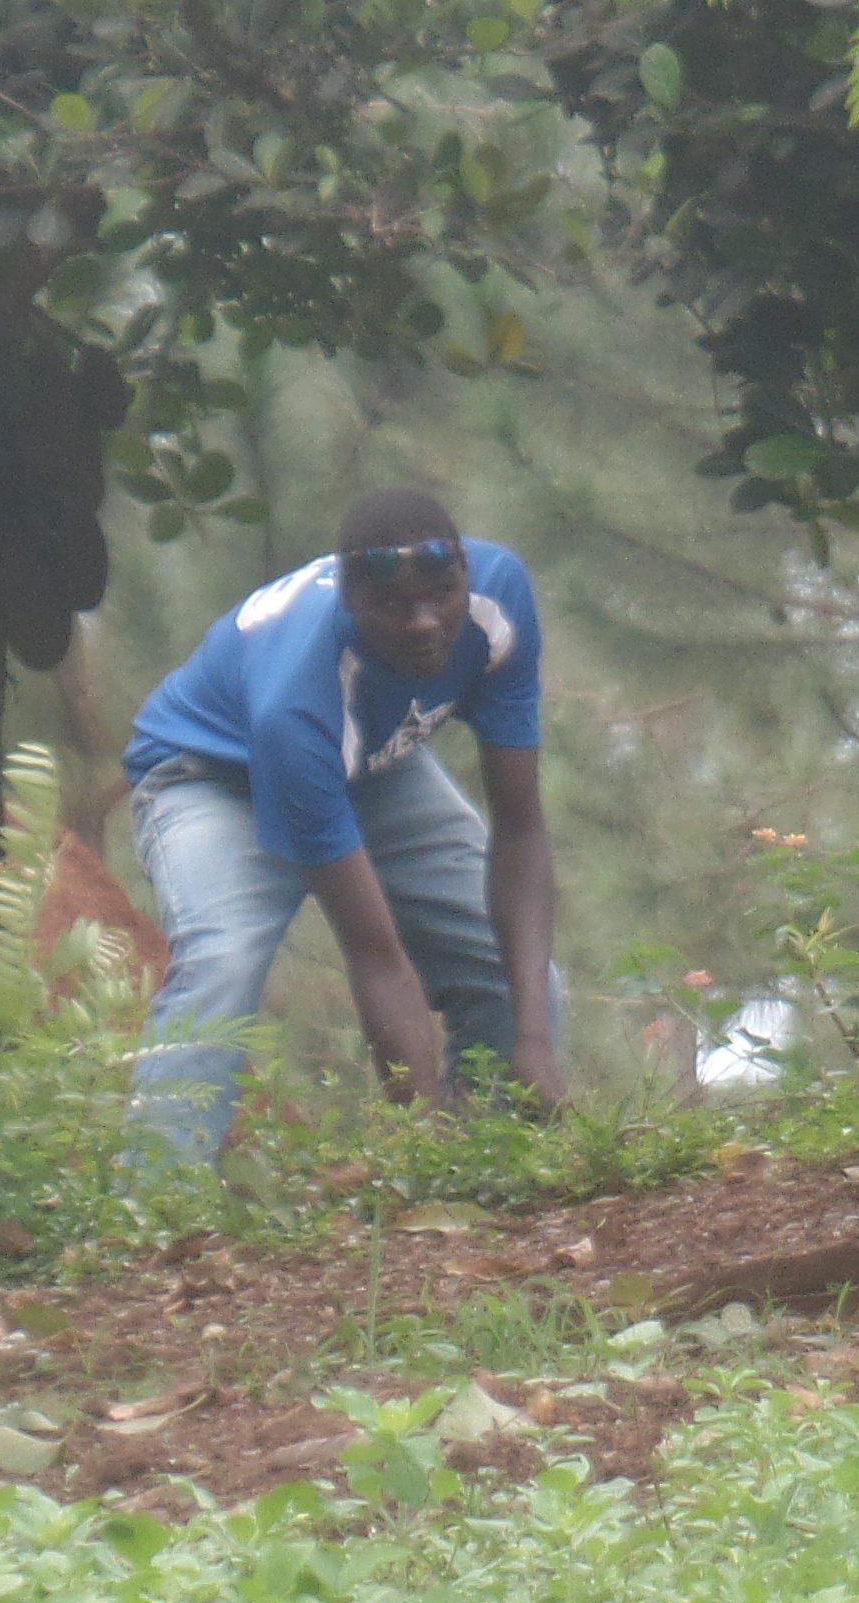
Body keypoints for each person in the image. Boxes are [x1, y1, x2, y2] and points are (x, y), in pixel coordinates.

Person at [121, 487, 561, 1159]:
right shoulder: (297, 701)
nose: (424, 623)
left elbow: (521, 829)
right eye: (393, 606)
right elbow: (376, 956)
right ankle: (157, 1196)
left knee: (525, 980)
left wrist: (533, 1042)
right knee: (223, 963)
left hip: (368, 764)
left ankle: (493, 1165)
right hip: (213, 775)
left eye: (440, 596)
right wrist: (417, 1142)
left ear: (465, 573)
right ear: (350, 597)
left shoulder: (500, 596)